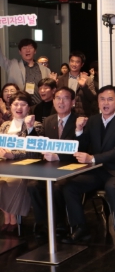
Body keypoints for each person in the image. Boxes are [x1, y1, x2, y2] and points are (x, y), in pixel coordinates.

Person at [61, 85, 115, 245]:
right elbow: (82, 145)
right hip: (97, 170)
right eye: (102, 99)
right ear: (98, 101)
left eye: (110, 99)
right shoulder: (93, 120)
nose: (105, 103)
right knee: (70, 186)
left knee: (112, 187)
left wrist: (92, 158)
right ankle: (80, 228)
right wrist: (79, 131)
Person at [27, 87, 78, 238]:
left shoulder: (80, 121)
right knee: (33, 185)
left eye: (65, 98)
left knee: (57, 187)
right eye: (58, 98)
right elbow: (41, 144)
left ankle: (60, 223)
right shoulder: (49, 120)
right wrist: (30, 129)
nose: (61, 102)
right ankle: (43, 223)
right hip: (50, 168)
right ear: (53, 101)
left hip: (72, 168)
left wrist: (58, 156)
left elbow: (82, 146)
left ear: (73, 102)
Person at [0, 91, 44, 234]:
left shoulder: (36, 125)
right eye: (16, 104)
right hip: (4, 164)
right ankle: (7, 216)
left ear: (29, 107)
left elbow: (33, 151)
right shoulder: (5, 125)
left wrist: (12, 154)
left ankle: (13, 219)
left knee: (12, 182)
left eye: (23, 104)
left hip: (25, 166)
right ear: (10, 106)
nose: (19, 107)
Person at [0, 38, 52, 105]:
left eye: (30, 48)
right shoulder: (12, 65)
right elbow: (1, 59)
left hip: (40, 105)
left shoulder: (45, 70)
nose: (27, 50)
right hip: (20, 106)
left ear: (35, 51)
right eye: (24, 48)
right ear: (20, 52)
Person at [57, 51, 97, 117]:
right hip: (65, 113)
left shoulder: (87, 79)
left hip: (82, 115)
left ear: (82, 64)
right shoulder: (61, 79)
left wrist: (84, 86)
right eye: (72, 61)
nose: (74, 64)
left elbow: (92, 98)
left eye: (77, 62)